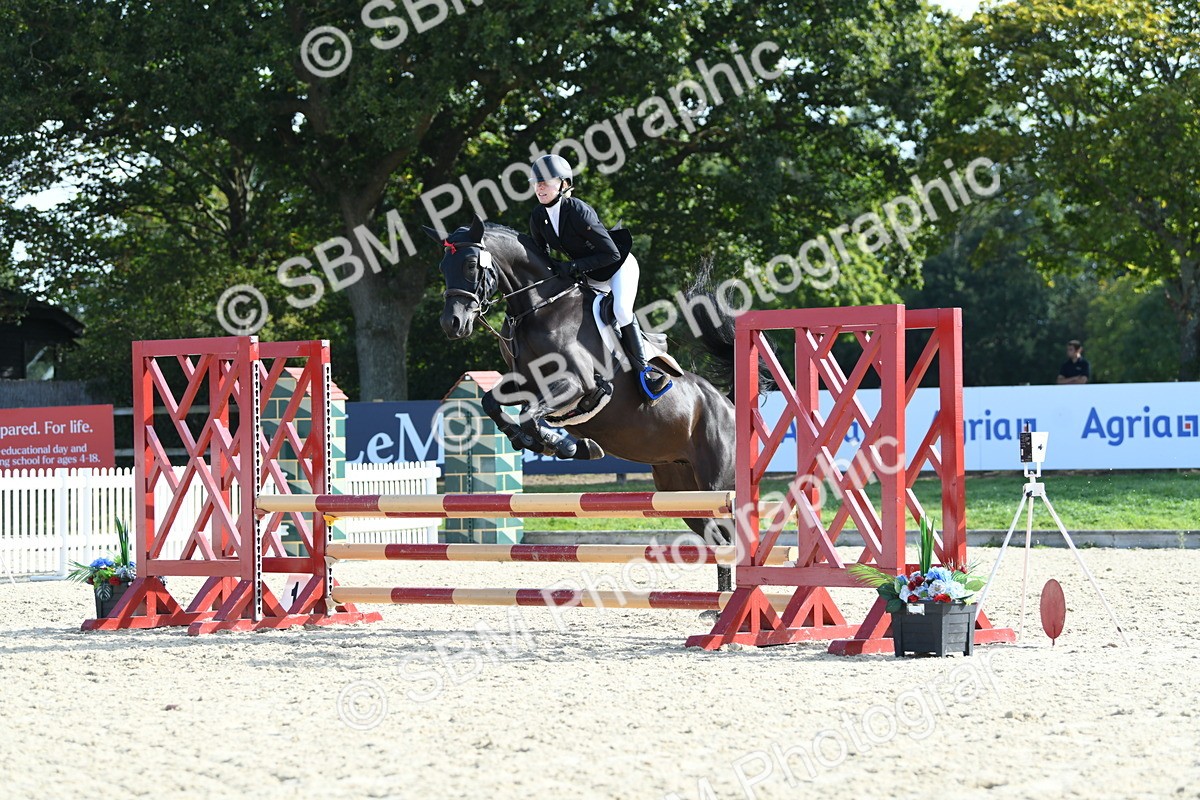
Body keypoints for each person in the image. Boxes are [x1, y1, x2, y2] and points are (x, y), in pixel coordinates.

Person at [528, 153, 672, 404]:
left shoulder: (577, 210)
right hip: (590, 274)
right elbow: (541, 257)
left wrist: (572, 265)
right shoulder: (538, 217)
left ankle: (645, 374)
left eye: (546, 182)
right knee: (582, 317)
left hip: (618, 267)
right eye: (536, 183)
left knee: (621, 311)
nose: (540, 187)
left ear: (563, 184)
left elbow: (611, 253)